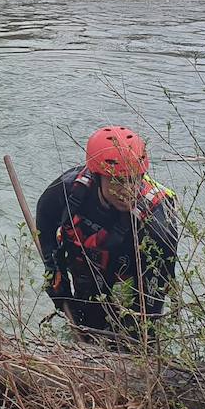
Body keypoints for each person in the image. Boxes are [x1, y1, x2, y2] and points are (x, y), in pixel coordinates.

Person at [36, 126, 178, 345]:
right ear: (97, 175)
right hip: (87, 269)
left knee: (134, 340)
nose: (128, 190)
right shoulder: (66, 191)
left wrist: (141, 338)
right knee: (87, 324)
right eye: (117, 181)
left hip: (131, 279)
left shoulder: (157, 221)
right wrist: (54, 272)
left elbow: (154, 295)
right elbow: (45, 228)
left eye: (134, 179)